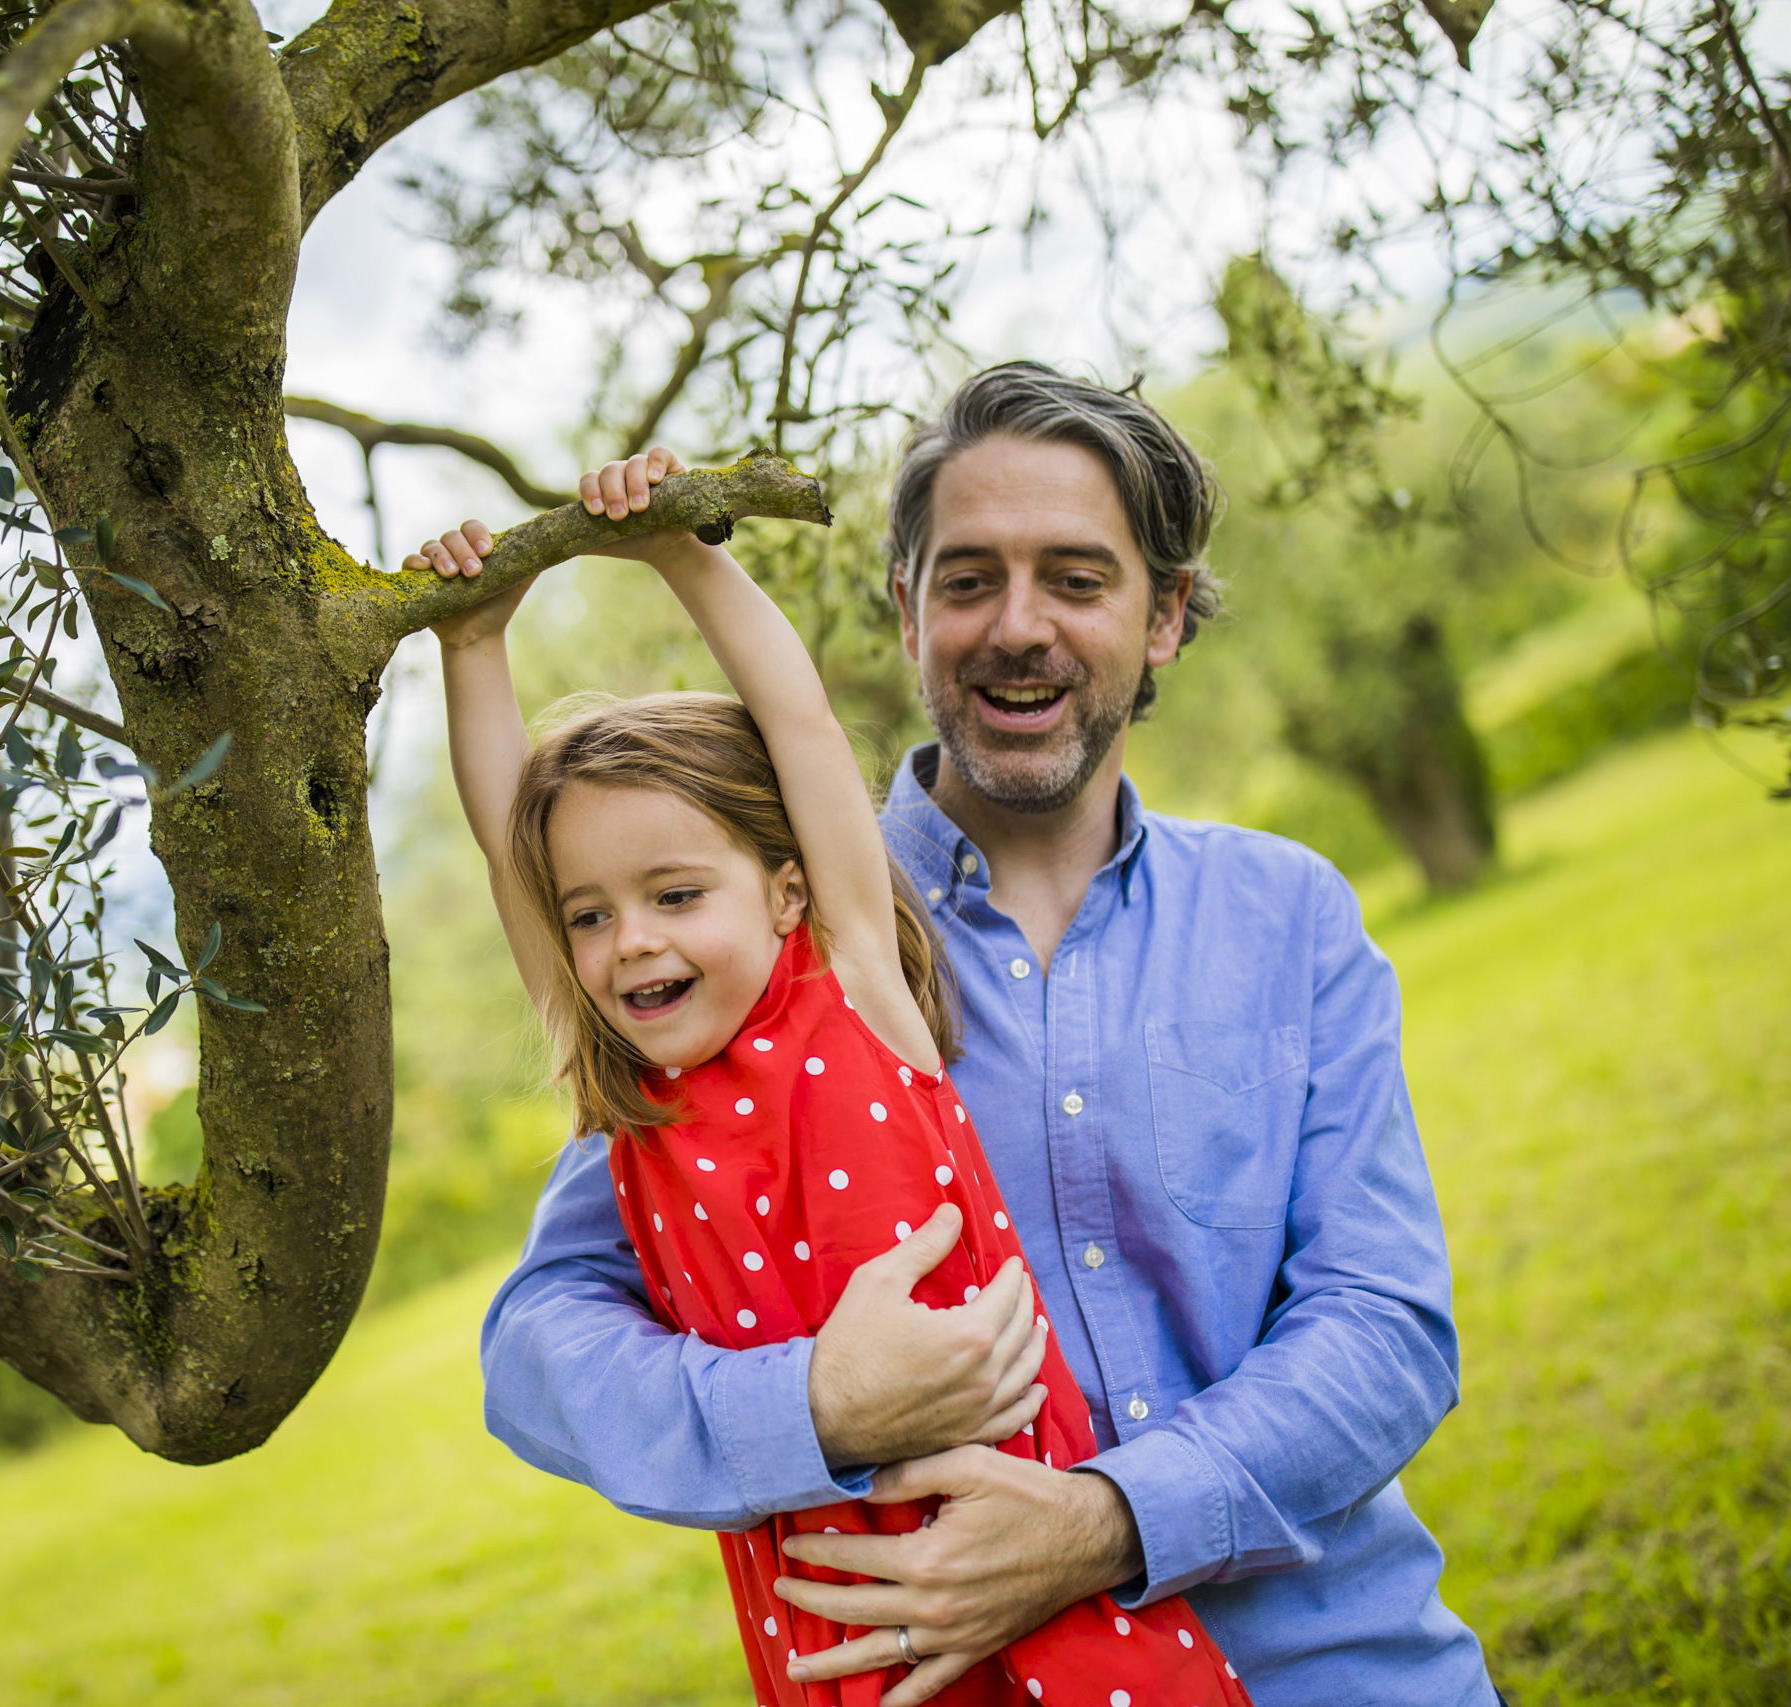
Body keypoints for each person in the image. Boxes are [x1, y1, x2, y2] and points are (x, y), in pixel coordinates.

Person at [466, 363, 1498, 1706]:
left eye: (1077, 577)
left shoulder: (1287, 917)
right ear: (905, 607)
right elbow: (540, 1346)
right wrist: (814, 1406)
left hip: (1343, 1670)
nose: (1020, 626)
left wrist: (1105, 1522)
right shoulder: (763, 975)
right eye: (967, 581)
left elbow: (1386, 1328)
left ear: (1166, 612)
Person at [411, 448, 1251, 1706]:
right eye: (589, 916)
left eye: (677, 894)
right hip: (834, 1605)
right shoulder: (626, 1094)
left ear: (789, 886)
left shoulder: (854, 991)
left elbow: (799, 723)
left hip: (1019, 1541)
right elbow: (506, 847)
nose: (629, 939)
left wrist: (681, 553)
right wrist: (471, 644)